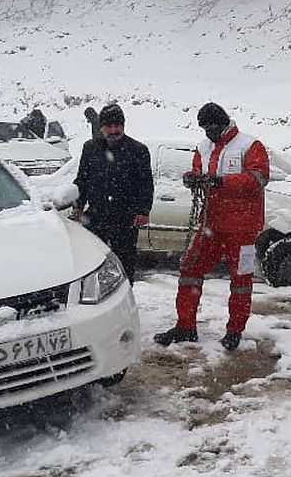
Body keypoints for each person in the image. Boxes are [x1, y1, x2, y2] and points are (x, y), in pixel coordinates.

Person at [154, 102, 270, 351]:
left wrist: (221, 182)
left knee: (240, 280)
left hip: (243, 228)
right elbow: (198, 168)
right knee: (190, 270)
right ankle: (186, 326)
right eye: (204, 128)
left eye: (211, 127)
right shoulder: (204, 147)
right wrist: (192, 178)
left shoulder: (249, 145)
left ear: (223, 122)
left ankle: (234, 331)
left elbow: (259, 177)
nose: (208, 132)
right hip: (211, 224)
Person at [70, 104, 153, 282]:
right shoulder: (90, 148)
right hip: (95, 215)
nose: (114, 130)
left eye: (118, 126)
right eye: (110, 126)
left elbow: (145, 184)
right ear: (101, 127)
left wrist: (143, 210)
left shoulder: (138, 150)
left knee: (125, 262)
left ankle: (124, 298)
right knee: (91, 262)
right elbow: (82, 179)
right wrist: (78, 205)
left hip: (126, 218)